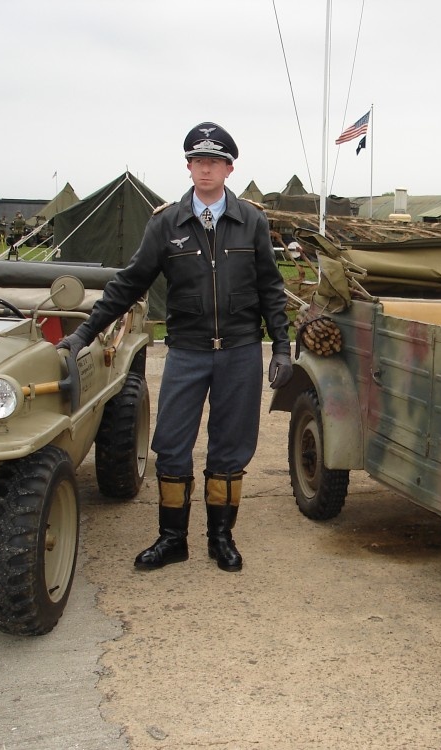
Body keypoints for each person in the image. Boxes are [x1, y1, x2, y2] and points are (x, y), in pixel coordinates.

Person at [58, 121, 292, 573]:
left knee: (230, 448)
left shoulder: (252, 222)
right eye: (197, 161)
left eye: (214, 162)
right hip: (187, 350)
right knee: (171, 444)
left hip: (241, 351)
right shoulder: (167, 223)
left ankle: (221, 538)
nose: (205, 169)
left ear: (229, 168)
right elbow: (129, 283)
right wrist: (84, 333)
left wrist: (281, 346)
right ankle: (172, 539)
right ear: (188, 167)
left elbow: (271, 288)